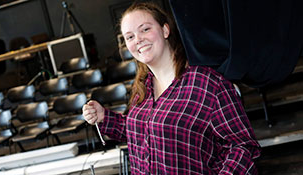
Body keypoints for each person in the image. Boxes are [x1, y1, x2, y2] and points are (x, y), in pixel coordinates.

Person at [82, 2, 261, 174]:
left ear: (165, 30)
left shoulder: (207, 84)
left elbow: (243, 147)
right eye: (130, 37)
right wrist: (104, 117)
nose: (138, 40)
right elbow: (144, 134)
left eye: (145, 29)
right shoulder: (142, 89)